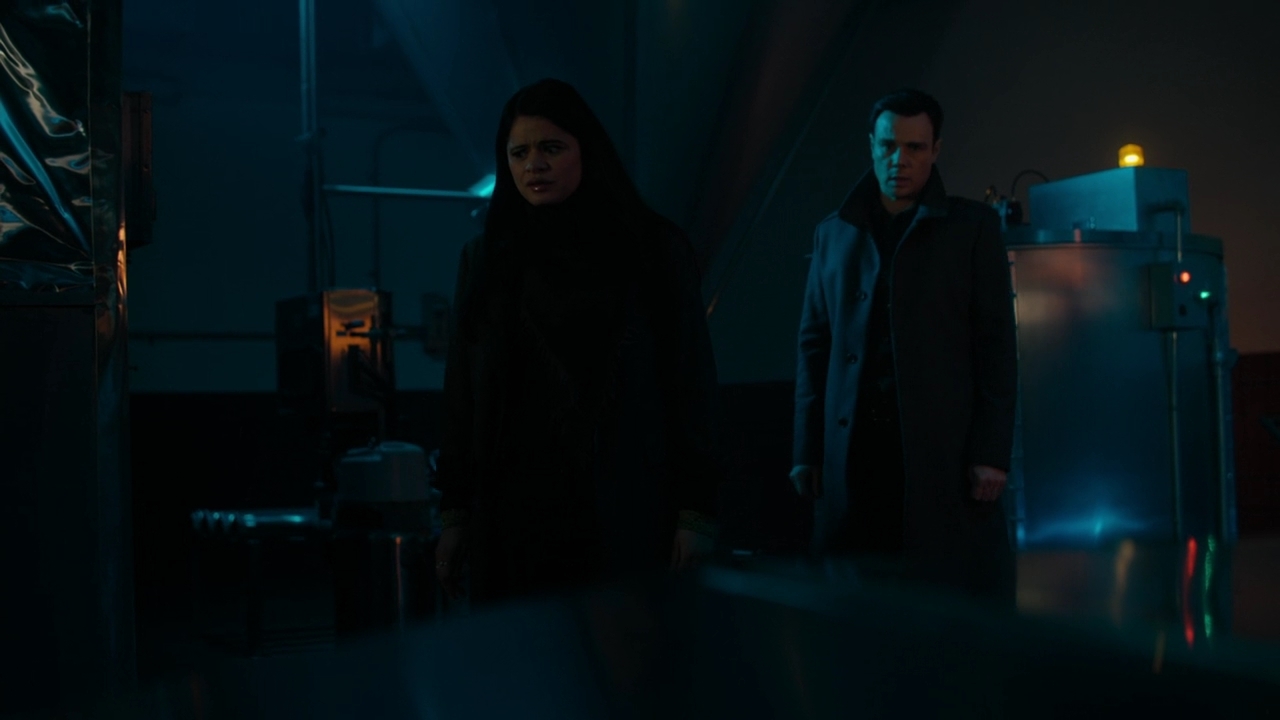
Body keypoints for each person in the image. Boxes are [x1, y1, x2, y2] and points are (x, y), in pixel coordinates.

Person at [433, 79, 722, 606]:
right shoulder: (487, 260)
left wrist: (696, 514)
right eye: (519, 153)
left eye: (551, 148)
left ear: (586, 150)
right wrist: (454, 515)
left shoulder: (651, 250)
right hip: (513, 522)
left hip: (626, 511)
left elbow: (690, 383)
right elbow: (461, 395)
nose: (534, 165)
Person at [791, 89, 1018, 606]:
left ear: (935, 150)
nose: (900, 160)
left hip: (942, 455)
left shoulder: (971, 229)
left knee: (947, 603)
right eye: (889, 146)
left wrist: (990, 453)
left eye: (915, 147)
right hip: (854, 453)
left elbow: (997, 348)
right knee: (854, 602)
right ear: (871, 146)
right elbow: (814, 345)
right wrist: (807, 449)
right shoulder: (835, 233)